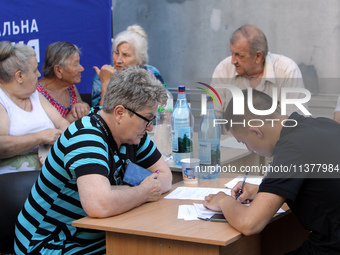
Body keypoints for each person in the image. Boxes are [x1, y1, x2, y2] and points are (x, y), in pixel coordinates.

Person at [14, 66, 173, 254]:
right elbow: (100, 205)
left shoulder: (133, 134)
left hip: (94, 235)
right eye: (147, 119)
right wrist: (143, 192)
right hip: (49, 243)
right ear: (120, 113)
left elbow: (165, 177)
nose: (149, 128)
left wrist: (123, 192)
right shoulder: (86, 136)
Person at [204, 89, 340, 254]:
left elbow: (249, 223)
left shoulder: (291, 148)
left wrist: (223, 201)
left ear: (256, 131)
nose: (249, 150)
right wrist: (262, 191)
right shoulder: (323, 125)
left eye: (244, 142)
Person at [211, 24, 307, 134]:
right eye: (232, 53)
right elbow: (211, 115)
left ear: (258, 56)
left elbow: (295, 122)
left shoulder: (287, 70)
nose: (233, 61)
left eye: (239, 55)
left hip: (277, 147)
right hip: (232, 146)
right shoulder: (224, 69)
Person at [0, 41, 69, 173]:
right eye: (34, 70)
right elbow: (2, 145)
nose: (38, 74)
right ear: (19, 76)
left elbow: (61, 122)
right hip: (11, 181)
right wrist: (40, 137)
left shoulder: (35, 95)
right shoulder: (2, 100)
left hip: (49, 173)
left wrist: (66, 135)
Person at [92, 24, 165, 107]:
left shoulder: (152, 73)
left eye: (125, 55)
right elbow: (100, 116)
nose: (118, 60)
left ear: (140, 59)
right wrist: (105, 84)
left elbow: (164, 107)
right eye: (116, 53)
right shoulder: (103, 76)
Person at [37, 42, 90, 123]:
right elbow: (48, 134)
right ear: (58, 70)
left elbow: (80, 105)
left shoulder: (69, 85)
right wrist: (69, 120)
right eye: (76, 64)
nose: (81, 69)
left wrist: (82, 105)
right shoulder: (37, 95)